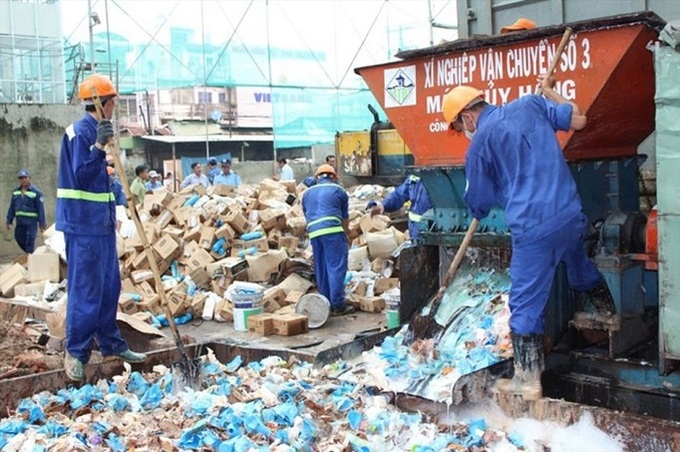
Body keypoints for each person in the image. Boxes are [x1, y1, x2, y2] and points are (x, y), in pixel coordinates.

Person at [442, 76, 616, 400]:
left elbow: (479, 203)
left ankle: (528, 379)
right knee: (577, 263)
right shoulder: (531, 103)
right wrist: (550, 90)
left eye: (459, 127)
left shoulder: (480, 145)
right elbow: (578, 118)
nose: (464, 134)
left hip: (534, 230)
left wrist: (485, 194)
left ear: (466, 117)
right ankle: (609, 312)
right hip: (569, 213)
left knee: (524, 304)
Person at [56, 73, 146, 381]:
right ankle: (76, 352)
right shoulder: (80, 133)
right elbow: (81, 176)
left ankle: (111, 343)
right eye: (113, 103)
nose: (114, 108)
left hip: (102, 224)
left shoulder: (97, 132)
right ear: (103, 103)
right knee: (86, 289)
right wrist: (97, 146)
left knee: (110, 286)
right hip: (82, 225)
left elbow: (99, 181)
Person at [302, 164, 355, 316]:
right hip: (333, 231)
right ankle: (338, 305)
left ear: (317, 177)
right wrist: (346, 235)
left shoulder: (307, 193)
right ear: (334, 177)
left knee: (321, 268)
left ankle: (324, 303)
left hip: (314, 233)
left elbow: (307, 215)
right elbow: (345, 219)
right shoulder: (339, 191)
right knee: (336, 267)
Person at [368, 174, 432, 241]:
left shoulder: (438, 179)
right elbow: (400, 194)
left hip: (431, 233)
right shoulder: (415, 175)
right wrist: (384, 205)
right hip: (415, 233)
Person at [6, 169, 46, 254]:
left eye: (25, 177)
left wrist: (42, 225)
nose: (23, 179)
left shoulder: (37, 193)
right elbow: (12, 207)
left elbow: (40, 209)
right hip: (20, 222)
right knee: (18, 238)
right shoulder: (16, 192)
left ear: (29, 178)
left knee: (30, 240)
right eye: (21, 178)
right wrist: (9, 220)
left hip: (31, 222)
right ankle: (30, 254)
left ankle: (30, 257)